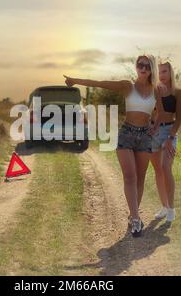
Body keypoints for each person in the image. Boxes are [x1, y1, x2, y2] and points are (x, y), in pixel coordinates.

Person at [63, 55, 164, 237]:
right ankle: (135, 218)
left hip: (144, 138)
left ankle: (133, 214)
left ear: (151, 69)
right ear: (136, 67)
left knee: (140, 178)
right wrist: (75, 81)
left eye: (147, 65)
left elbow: (162, 113)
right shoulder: (128, 86)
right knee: (130, 176)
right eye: (139, 64)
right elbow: (100, 83)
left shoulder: (156, 90)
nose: (143, 68)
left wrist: (154, 126)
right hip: (127, 134)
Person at [150, 61, 181, 222]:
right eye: (159, 72)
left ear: (170, 73)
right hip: (153, 131)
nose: (161, 75)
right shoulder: (154, 90)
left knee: (166, 168)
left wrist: (171, 137)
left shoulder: (178, 92)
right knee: (158, 170)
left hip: (169, 131)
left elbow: (178, 119)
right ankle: (164, 207)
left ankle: (171, 208)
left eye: (164, 71)